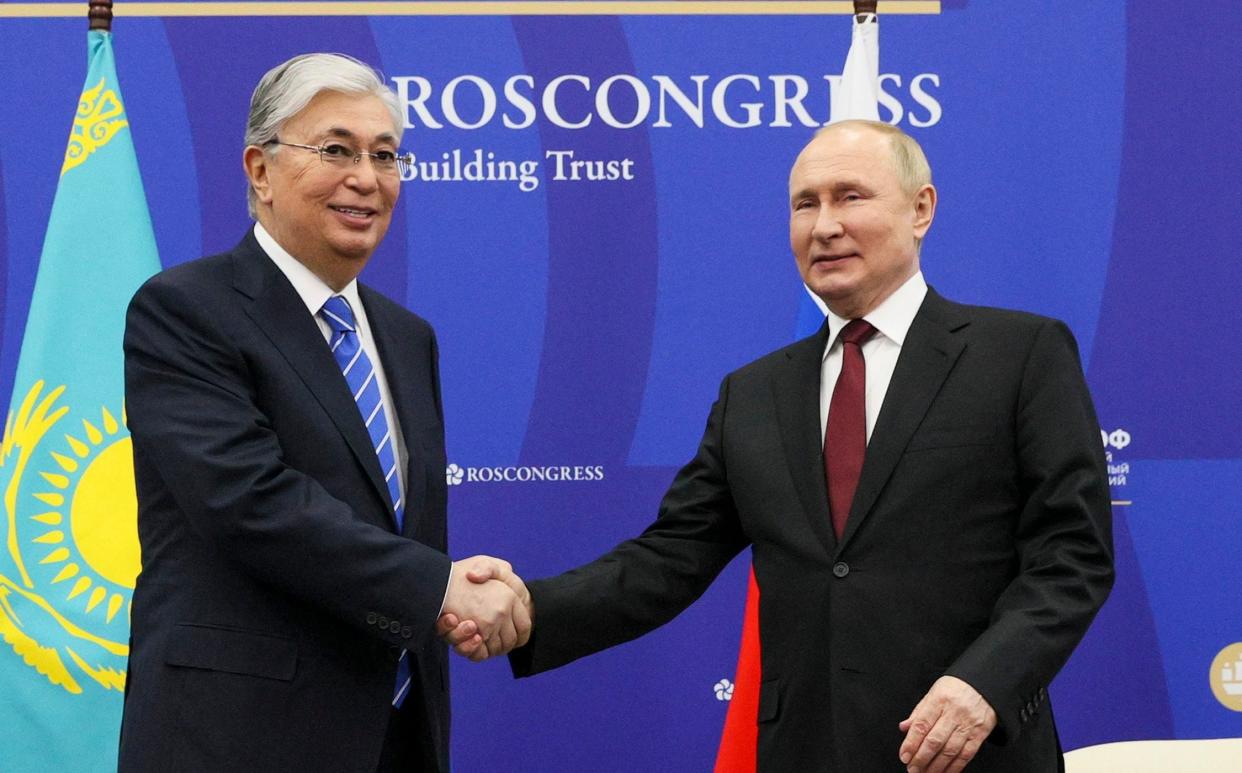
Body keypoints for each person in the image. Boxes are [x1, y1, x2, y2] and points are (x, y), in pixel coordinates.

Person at [442, 120, 1114, 772]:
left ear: (921, 209)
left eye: (850, 196)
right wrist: (530, 610)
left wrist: (985, 685)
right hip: (803, 750)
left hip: (966, 751)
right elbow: (668, 558)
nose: (825, 225)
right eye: (805, 204)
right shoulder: (754, 393)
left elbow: (1072, 555)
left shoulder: (1019, 355)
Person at [117, 53, 528, 773]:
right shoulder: (186, 310)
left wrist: (454, 589)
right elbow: (247, 500)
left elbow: (396, 525)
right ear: (260, 169)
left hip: (395, 736)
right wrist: (437, 585)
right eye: (336, 149)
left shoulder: (407, 337)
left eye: (386, 155)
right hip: (239, 738)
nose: (367, 178)